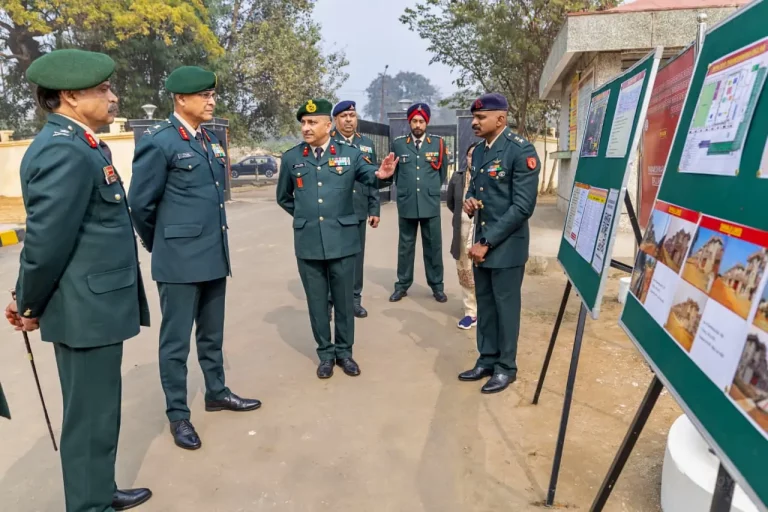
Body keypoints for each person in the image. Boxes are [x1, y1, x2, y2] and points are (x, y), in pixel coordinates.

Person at [4, 49, 152, 511]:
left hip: (95, 307)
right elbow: (46, 243)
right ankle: (89, 505)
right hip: (85, 311)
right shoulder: (63, 150)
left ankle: (98, 490)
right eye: (103, 89)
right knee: (89, 418)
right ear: (69, 95)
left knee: (100, 412)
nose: (114, 97)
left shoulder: (82, 144)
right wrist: (28, 303)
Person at [129, 66, 261, 451]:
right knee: (175, 344)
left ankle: (216, 392)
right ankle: (178, 414)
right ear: (181, 99)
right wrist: (162, 244)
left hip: (213, 254)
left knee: (211, 334)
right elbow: (140, 204)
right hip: (178, 261)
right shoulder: (160, 141)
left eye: (212, 95)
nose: (211, 101)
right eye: (204, 95)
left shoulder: (211, 140)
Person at [276, 99, 398, 379]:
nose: (306, 128)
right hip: (308, 242)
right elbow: (284, 197)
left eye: (312, 122)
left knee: (343, 301)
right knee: (317, 303)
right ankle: (325, 354)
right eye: (303, 123)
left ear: (328, 125)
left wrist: (382, 175)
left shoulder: (350, 154)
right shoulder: (292, 158)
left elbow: (370, 175)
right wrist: (305, 216)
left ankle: (344, 353)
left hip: (343, 240)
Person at [458, 93, 541, 394]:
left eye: (481, 117)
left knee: (505, 308)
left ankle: (506, 368)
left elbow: (522, 207)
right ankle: (487, 360)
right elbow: (477, 188)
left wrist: (487, 242)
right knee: (486, 305)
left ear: (501, 119)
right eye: (474, 117)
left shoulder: (521, 151)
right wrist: (469, 201)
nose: (475, 122)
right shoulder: (481, 151)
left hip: (506, 246)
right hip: (481, 243)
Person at [388, 102, 448, 304]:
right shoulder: (398, 144)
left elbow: (442, 172)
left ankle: (437, 286)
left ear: (427, 122)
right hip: (407, 202)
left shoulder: (438, 143)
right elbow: (396, 173)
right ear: (409, 122)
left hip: (430, 203)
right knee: (405, 246)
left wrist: (429, 189)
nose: (418, 125)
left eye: (421, 121)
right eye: (414, 121)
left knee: (433, 246)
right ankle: (402, 285)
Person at [328, 100, 380, 319]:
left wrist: (374, 209)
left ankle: (354, 299)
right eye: (344, 116)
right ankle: (330, 301)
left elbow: (373, 178)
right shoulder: (327, 142)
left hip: (358, 209)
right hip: (334, 212)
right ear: (335, 120)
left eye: (352, 116)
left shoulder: (366, 144)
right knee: (333, 257)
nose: (349, 120)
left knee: (356, 257)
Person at [447, 142, 481, 330]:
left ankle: (484, 309)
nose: (472, 159)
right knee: (464, 269)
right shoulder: (457, 177)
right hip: (461, 229)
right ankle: (470, 312)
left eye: (476, 155)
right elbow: (451, 203)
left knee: (480, 270)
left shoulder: (486, 176)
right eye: (469, 155)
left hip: (481, 230)